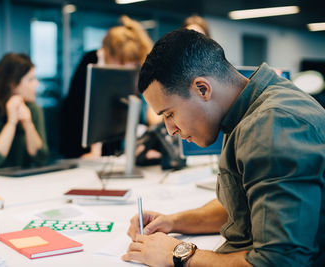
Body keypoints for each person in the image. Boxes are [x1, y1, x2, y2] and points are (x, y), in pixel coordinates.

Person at [122, 28, 325, 266]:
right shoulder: (249, 107)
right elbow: (249, 205)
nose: (170, 130)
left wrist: (177, 253)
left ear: (202, 89)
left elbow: (278, 261)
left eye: (170, 113)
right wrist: (173, 221)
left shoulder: (271, 125)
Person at [59, 15, 155, 159]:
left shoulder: (131, 71)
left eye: (134, 64)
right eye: (123, 62)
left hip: (111, 147)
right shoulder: (91, 64)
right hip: (79, 145)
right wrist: (93, 151)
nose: (128, 68)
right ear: (109, 52)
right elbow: (86, 110)